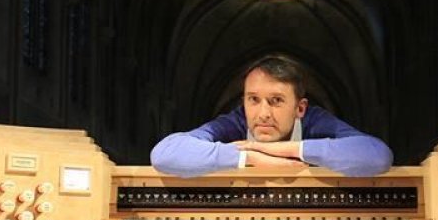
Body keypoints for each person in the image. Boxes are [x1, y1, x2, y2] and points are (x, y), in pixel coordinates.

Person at [150, 56, 393, 177]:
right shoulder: (235, 121)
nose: (263, 114)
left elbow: (377, 156)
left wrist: (288, 150)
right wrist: (250, 156)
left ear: (300, 108)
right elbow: (164, 154)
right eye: (253, 100)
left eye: (276, 101)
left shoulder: (316, 121)